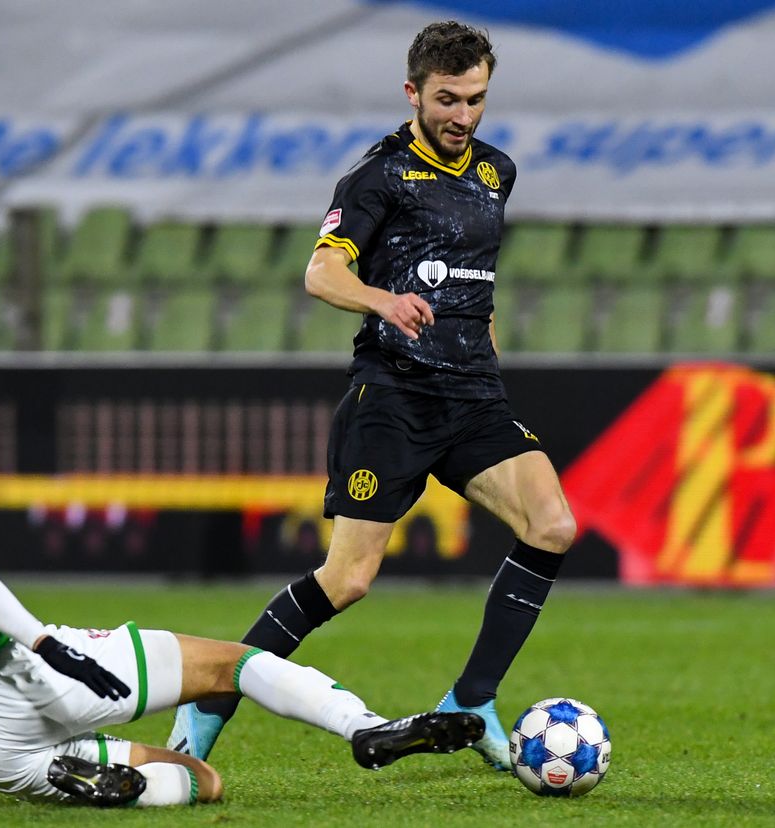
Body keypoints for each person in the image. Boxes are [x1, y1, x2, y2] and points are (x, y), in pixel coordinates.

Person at [169, 20, 575, 772]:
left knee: (552, 525)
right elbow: (320, 273)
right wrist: (383, 302)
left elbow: (474, 280)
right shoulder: (376, 177)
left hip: (473, 398)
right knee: (347, 580)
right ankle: (209, 699)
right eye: (448, 100)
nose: (462, 117)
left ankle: (470, 701)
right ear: (413, 91)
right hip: (393, 396)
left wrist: (484, 352)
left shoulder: (497, 173)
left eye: (476, 101)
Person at [0, 397, 483, 807]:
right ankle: (362, 726)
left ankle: (103, 774)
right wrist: (47, 645)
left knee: (202, 783)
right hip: (17, 672)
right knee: (234, 665)